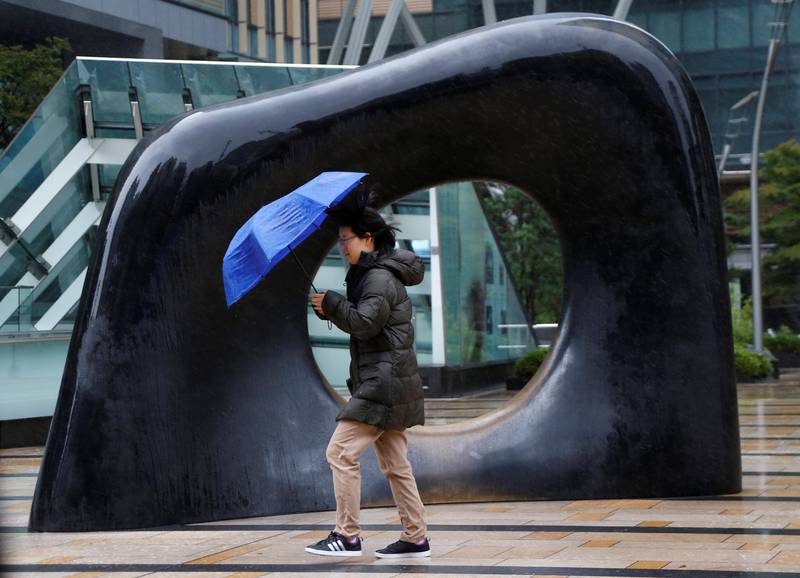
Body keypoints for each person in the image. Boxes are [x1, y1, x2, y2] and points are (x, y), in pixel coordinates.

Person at [304, 205, 431, 559]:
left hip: (383, 382)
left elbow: (365, 324)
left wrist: (332, 304)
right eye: (340, 240)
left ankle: (346, 535)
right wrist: (332, 307)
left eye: (347, 239)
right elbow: (367, 323)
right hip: (390, 379)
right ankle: (416, 536)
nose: (342, 246)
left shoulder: (377, 277)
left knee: (340, 452)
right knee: (395, 463)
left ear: (368, 239)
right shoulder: (372, 273)